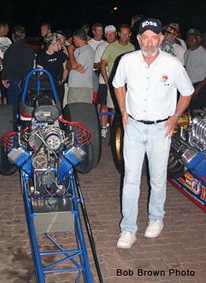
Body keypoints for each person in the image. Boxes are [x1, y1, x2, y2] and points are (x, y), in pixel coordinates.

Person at [113, 18, 194, 249]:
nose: (149, 42)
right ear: (138, 39)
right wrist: (123, 111)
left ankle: (156, 218)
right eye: (145, 37)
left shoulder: (173, 64)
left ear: (160, 39)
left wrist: (175, 117)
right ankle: (128, 229)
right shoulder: (127, 61)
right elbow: (118, 84)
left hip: (161, 129)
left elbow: (187, 92)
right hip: (135, 128)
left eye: (154, 37)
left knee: (158, 178)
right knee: (130, 178)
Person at [2, 25, 35, 118]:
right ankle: (26, 128)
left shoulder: (10, 50)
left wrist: (4, 78)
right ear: (24, 36)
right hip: (27, 81)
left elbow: (7, 65)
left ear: (13, 36)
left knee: (13, 108)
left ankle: (15, 129)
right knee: (26, 107)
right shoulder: (29, 49)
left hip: (14, 81)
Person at [94, 25, 117, 137]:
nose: (109, 36)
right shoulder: (101, 47)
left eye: (111, 33)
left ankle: (113, 128)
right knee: (103, 104)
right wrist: (105, 62)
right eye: (107, 34)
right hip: (103, 80)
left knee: (114, 106)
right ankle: (103, 127)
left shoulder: (120, 46)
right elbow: (95, 64)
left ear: (116, 34)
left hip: (117, 82)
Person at [37, 35, 68, 109]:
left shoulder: (61, 55)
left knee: (59, 104)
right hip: (47, 86)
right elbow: (39, 73)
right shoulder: (42, 57)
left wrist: (63, 78)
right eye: (58, 44)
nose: (59, 46)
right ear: (51, 45)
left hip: (59, 85)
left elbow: (65, 68)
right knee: (48, 105)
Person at [67, 29, 94, 104]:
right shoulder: (77, 50)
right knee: (72, 112)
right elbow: (69, 65)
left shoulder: (88, 50)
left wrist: (70, 52)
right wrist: (74, 66)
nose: (73, 41)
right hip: (73, 86)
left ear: (77, 38)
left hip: (83, 87)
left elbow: (73, 65)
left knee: (82, 112)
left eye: (73, 39)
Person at [184, 28, 206, 111]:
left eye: (192, 38)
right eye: (188, 38)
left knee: (198, 112)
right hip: (189, 87)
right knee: (188, 113)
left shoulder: (203, 53)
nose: (190, 40)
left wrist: (198, 88)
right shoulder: (187, 53)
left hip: (200, 87)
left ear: (198, 39)